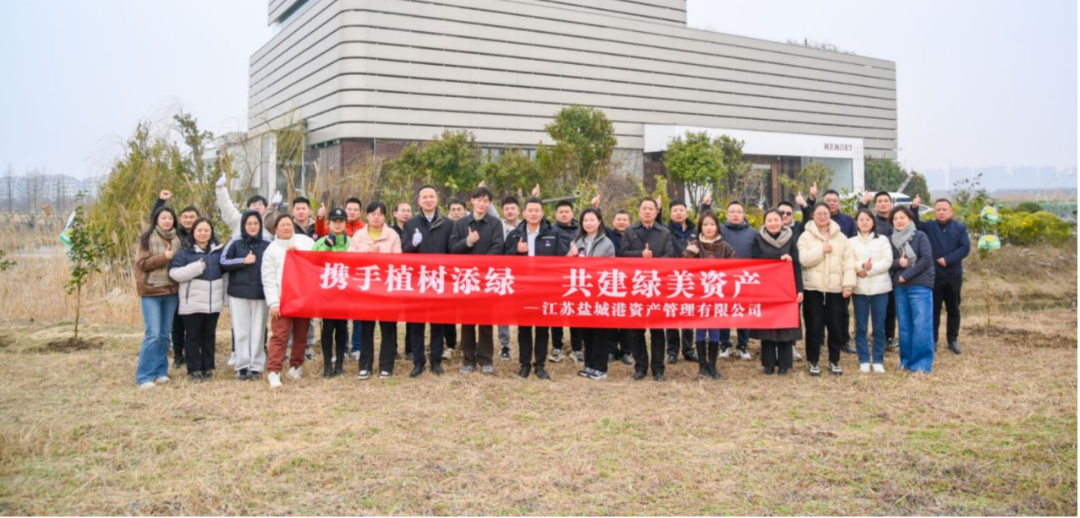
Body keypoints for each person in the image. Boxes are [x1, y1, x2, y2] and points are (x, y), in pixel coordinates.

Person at [503, 197, 570, 380]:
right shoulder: (515, 234)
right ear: (524, 213)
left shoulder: (553, 233)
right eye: (530, 210)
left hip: (544, 288)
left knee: (542, 328)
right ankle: (524, 365)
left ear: (542, 213)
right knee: (524, 328)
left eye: (537, 211)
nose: (533, 214)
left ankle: (539, 365)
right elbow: (503, 261)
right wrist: (516, 251)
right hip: (522, 288)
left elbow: (561, 260)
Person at [449, 186, 505, 376]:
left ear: (490, 203)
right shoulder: (460, 224)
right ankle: (468, 359)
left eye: (486, 201)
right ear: (472, 201)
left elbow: (498, 247)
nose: (482, 204)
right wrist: (469, 241)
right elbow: (453, 248)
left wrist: (481, 267)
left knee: (486, 321)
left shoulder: (495, 224)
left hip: (487, 279)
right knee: (467, 321)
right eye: (479, 200)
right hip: (466, 279)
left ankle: (486, 360)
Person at [858, 191, 923, 351]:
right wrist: (863, 204)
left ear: (891, 203)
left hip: (897, 269)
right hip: (877, 269)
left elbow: (914, 229)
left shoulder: (897, 221)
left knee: (892, 307)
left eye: (885, 201)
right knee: (878, 308)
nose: (883, 203)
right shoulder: (873, 222)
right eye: (879, 201)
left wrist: (914, 210)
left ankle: (889, 337)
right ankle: (876, 337)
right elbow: (861, 220)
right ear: (875, 205)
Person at [620, 198, 676, 382]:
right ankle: (640, 367)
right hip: (635, 286)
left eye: (651, 209)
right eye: (644, 208)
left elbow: (670, 255)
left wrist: (654, 263)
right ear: (639, 211)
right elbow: (622, 254)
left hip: (657, 286)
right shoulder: (630, 231)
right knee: (636, 331)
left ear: (656, 212)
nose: (647, 211)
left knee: (657, 331)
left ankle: (658, 369)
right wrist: (640, 255)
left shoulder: (664, 232)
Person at [798, 203, 857, 377]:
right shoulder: (805, 237)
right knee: (813, 326)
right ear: (813, 216)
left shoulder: (841, 237)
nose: (822, 217)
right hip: (812, 288)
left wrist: (848, 285)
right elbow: (803, 260)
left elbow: (849, 263)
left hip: (835, 289)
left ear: (830, 215)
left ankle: (834, 360)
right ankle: (813, 361)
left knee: (836, 326)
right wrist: (821, 250)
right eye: (819, 213)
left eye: (825, 213)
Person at [402, 186, 454, 378]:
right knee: (416, 324)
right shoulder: (410, 224)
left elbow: (453, 251)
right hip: (417, 281)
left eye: (431, 196)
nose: (428, 200)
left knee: (438, 324)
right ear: (419, 200)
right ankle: (418, 362)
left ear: (437, 199)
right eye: (424, 197)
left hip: (439, 281)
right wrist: (413, 244)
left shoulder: (448, 224)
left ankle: (436, 361)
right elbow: (403, 252)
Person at [350, 202, 403, 379]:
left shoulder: (392, 235)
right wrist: (367, 251)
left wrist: (381, 258)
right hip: (365, 288)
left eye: (380, 214)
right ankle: (365, 365)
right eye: (373, 213)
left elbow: (398, 260)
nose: (376, 217)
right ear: (367, 216)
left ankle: (386, 366)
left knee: (388, 328)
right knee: (366, 328)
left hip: (386, 288)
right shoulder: (359, 235)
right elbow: (349, 257)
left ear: (385, 216)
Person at [169, 218, 226, 383]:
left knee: (209, 335)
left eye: (206, 230)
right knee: (192, 336)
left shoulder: (219, 251)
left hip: (213, 302)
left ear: (211, 232)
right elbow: (174, 273)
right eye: (199, 230)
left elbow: (226, 272)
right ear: (193, 232)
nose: (203, 233)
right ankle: (193, 369)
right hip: (191, 302)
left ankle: (208, 367)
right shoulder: (184, 252)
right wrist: (196, 268)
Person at [262, 215, 316, 389]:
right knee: (280, 335)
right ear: (275, 229)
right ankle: (274, 371)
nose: (286, 228)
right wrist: (273, 303)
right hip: (282, 299)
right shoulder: (271, 250)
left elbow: (317, 261)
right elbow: (268, 278)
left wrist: (300, 255)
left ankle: (295, 367)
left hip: (302, 297)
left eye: (289, 225)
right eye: (282, 225)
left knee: (301, 334)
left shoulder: (305, 242)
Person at [683, 211, 736, 380]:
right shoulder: (695, 245)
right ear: (701, 227)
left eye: (712, 224)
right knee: (700, 329)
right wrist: (689, 254)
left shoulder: (725, 247)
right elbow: (684, 269)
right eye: (705, 224)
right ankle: (702, 365)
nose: (709, 227)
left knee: (715, 329)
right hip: (699, 295)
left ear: (717, 227)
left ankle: (712, 365)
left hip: (718, 294)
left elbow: (735, 268)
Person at [751, 210, 804, 376]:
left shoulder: (790, 238)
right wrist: (778, 258)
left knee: (785, 327)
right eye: (769, 220)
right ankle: (768, 364)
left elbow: (796, 265)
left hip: (786, 289)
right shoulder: (758, 239)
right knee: (767, 326)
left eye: (776, 220)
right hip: (766, 289)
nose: (773, 223)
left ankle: (784, 365)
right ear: (764, 222)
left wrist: (799, 289)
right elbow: (755, 261)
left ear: (782, 222)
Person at [220, 211, 271, 381]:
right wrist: (242, 261)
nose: (252, 226)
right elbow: (223, 262)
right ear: (243, 225)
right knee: (241, 331)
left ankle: (256, 366)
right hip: (238, 294)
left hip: (260, 294)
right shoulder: (235, 242)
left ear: (260, 225)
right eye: (249, 223)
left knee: (258, 331)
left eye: (256, 223)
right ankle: (242, 365)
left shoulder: (267, 243)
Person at [135, 206, 183, 390]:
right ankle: (144, 376)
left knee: (164, 335)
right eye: (163, 218)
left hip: (171, 291)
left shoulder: (178, 239)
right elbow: (141, 264)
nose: (167, 221)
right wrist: (164, 257)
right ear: (156, 220)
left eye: (170, 218)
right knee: (153, 334)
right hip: (151, 291)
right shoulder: (147, 238)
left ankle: (160, 371)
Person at [152, 191, 200, 370]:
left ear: (198, 219)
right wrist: (161, 201)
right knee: (177, 322)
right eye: (185, 217)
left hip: (196, 285)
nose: (188, 220)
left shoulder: (202, 233)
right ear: (180, 219)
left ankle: (194, 352)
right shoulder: (174, 234)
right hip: (176, 283)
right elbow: (155, 220)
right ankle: (178, 355)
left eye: (192, 217)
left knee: (194, 322)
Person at [917, 199, 971, 356]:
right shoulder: (929, 226)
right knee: (934, 309)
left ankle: (952, 340)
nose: (941, 212)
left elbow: (965, 248)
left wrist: (947, 259)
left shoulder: (959, 228)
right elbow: (915, 224)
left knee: (953, 308)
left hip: (954, 275)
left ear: (951, 211)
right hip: (934, 276)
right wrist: (914, 208)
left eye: (944, 209)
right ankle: (932, 340)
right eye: (938, 209)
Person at [569, 208, 617, 381]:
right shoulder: (576, 242)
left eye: (592, 220)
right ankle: (589, 365)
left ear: (599, 222)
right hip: (583, 292)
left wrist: (591, 267)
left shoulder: (607, 243)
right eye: (585, 220)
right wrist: (572, 255)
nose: (588, 223)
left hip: (601, 292)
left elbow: (610, 268)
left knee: (600, 331)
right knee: (586, 330)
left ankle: (600, 368)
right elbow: (566, 265)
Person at [890, 206, 937, 373]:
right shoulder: (891, 240)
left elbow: (926, 259)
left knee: (921, 324)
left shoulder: (920, 236)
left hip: (920, 285)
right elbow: (888, 261)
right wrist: (898, 264)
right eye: (895, 218)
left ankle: (921, 364)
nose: (899, 221)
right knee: (904, 326)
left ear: (910, 219)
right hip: (900, 287)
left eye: (902, 217)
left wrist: (907, 274)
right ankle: (906, 361)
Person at [849, 209, 894, 374]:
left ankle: (878, 360)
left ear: (873, 222)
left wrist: (868, 270)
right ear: (857, 223)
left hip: (880, 289)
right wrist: (861, 266)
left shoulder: (882, 240)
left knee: (879, 327)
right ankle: (864, 359)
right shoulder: (851, 242)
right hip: (860, 289)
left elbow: (887, 261)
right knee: (860, 327)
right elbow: (848, 261)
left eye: (868, 219)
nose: (865, 222)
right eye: (861, 219)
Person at [312, 208, 353, 379]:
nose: (337, 224)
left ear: (345, 224)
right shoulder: (320, 242)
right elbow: (312, 262)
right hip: (327, 292)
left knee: (342, 328)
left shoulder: (351, 243)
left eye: (341, 221)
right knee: (328, 327)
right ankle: (328, 364)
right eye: (334, 221)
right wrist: (327, 248)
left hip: (345, 292)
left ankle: (340, 364)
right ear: (328, 223)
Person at [718, 201, 758, 361]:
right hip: (724, 277)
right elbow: (704, 222)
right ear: (727, 214)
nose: (735, 214)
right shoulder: (720, 229)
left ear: (743, 214)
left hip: (744, 278)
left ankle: (742, 345)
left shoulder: (753, 233)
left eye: (739, 212)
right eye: (732, 211)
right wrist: (705, 206)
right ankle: (724, 344)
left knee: (743, 312)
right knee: (724, 311)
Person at [664, 199, 699, 365]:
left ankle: (688, 350)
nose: (678, 213)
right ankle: (672, 351)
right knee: (671, 314)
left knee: (688, 313)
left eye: (681, 210)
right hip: (671, 277)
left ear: (686, 212)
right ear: (670, 214)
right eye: (675, 210)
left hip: (691, 278)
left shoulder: (695, 231)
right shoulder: (666, 231)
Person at [551, 199, 583, 364]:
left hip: (577, 278)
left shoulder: (581, 230)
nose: (564, 214)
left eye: (567, 212)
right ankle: (557, 347)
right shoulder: (550, 230)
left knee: (575, 313)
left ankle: (577, 348)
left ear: (572, 213)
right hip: (557, 277)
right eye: (561, 212)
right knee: (556, 313)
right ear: (555, 214)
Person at [288, 197, 319, 361]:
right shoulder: (287, 226)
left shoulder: (317, 227)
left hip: (310, 277)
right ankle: (290, 347)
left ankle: (309, 346)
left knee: (309, 313)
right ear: (293, 211)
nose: (300, 211)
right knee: (290, 312)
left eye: (303, 208)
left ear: (309, 210)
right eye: (297, 208)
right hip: (291, 277)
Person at [389, 201, 417, 362]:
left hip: (410, 277)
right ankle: (392, 349)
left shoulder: (415, 230)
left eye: (408, 210)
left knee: (411, 314)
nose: (406, 213)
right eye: (402, 210)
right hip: (393, 276)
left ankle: (410, 348)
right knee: (391, 315)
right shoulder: (389, 231)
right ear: (395, 213)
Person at [606, 209, 634, 366]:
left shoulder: (633, 236)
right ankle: (612, 350)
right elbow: (598, 224)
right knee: (611, 316)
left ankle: (626, 351)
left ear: (630, 223)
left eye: (625, 220)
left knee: (626, 317)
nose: (622, 222)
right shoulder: (608, 234)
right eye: (619, 219)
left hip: (629, 281)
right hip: (611, 281)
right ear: (613, 222)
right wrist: (596, 208)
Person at [496, 196, 521, 363]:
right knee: (503, 311)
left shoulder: (526, 226)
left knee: (523, 310)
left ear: (519, 210)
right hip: (503, 274)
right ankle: (505, 345)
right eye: (507, 209)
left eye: (513, 208)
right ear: (502, 211)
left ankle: (525, 344)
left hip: (523, 275)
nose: (510, 211)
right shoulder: (498, 226)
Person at [215, 175, 276, 240]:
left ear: (266, 209)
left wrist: (274, 205)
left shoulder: (268, 224)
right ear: (248, 208)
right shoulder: (238, 220)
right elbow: (227, 208)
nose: (257, 207)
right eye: (254, 205)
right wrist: (221, 189)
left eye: (260, 205)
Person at [443, 198, 467, 358]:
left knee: (467, 310)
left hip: (467, 273)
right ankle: (450, 344)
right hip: (448, 273)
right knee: (448, 311)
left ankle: (466, 342)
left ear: (465, 210)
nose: (456, 212)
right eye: (453, 210)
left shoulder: (470, 224)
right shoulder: (445, 226)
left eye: (459, 209)